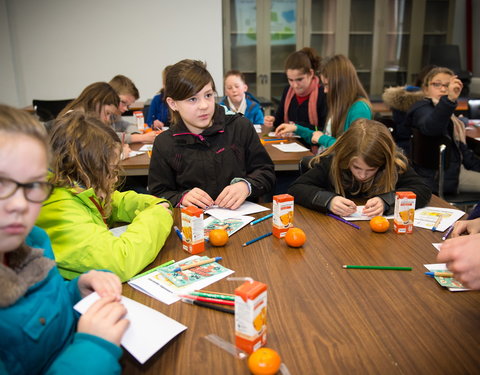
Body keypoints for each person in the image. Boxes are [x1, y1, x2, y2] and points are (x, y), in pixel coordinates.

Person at [0, 104, 128, 374]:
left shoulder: (34, 241)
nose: (20, 204)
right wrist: (94, 349)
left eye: (33, 184)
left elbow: (45, 311)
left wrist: (76, 290)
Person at [35, 112, 173, 282]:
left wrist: (156, 203)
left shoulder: (76, 187)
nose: (115, 178)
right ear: (86, 169)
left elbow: (115, 201)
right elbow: (120, 262)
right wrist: (156, 215)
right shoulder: (59, 210)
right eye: (111, 171)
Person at [148, 59, 275, 209]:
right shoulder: (164, 143)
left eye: (208, 95)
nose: (204, 106)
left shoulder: (240, 127)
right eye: (192, 99)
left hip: (244, 222)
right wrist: (181, 198)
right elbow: (158, 194)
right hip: (191, 225)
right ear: (173, 104)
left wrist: (246, 186)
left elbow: (266, 172)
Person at [288, 119, 431, 217]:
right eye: (356, 167)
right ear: (345, 158)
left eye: (371, 169)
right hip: (337, 236)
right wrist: (329, 201)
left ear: (383, 164)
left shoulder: (394, 165)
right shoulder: (333, 163)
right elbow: (297, 188)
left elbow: (422, 189)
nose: (362, 175)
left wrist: (387, 201)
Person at [405, 67, 480, 194]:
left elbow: (463, 153)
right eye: (437, 84)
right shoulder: (422, 108)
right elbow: (431, 128)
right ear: (426, 88)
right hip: (440, 178)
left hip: (453, 171)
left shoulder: (447, 113)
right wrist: (449, 100)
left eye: (447, 85)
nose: (443, 89)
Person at [275, 54, 372, 152]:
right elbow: (323, 136)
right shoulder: (339, 105)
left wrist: (322, 139)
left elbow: (353, 149)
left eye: (326, 85)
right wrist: (296, 128)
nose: (325, 90)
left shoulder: (359, 108)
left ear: (340, 83)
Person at [264, 47, 327, 148]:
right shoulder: (288, 91)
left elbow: (324, 130)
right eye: (290, 80)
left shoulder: (323, 94)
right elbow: (280, 120)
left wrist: (295, 126)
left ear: (311, 73)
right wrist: (273, 120)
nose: (295, 85)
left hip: (313, 150)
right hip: (289, 146)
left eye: (299, 79)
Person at [109, 75, 156, 144]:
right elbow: (108, 136)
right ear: (111, 95)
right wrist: (142, 137)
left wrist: (137, 133)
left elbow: (123, 125)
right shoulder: (98, 112)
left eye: (128, 106)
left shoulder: (115, 113)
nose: (125, 109)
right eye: (123, 102)